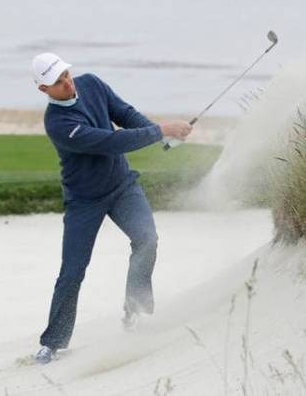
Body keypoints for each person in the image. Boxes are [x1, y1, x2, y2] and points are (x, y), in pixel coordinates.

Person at [30, 52, 192, 364]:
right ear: (44, 90)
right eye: (57, 83)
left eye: (66, 74)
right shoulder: (58, 123)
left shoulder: (91, 84)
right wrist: (162, 130)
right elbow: (110, 142)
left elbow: (125, 114)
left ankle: (136, 313)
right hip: (84, 201)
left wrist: (161, 135)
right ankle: (52, 342)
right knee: (73, 270)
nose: (67, 84)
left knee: (147, 239)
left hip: (122, 187)